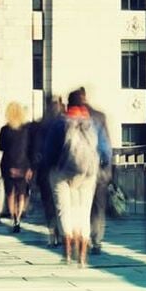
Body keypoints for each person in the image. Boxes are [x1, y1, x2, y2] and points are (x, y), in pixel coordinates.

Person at [43, 89, 110, 267]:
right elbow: (105, 151)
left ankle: (67, 252)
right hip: (88, 172)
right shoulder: (93, 123)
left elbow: (48, 152)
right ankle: (82, 255)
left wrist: (50, 167)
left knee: (64, 209)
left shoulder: (60, 123)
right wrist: (101, 164)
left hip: (62, 171)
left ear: (68, 104)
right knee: (84, 210)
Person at [79, 87, 113, 254]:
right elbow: (106, 145)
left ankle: (83, 236)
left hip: (78, 170)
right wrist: (106, 165)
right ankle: (97, 240)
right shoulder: (99, 116)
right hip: (98, 169)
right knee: (99, 206)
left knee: (82, 205)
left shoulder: (71, 118)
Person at [31, 97, 64, 247]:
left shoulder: (41, 125)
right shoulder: (65, 123)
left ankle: (52, 234)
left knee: (48, 203)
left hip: (46, 169)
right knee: (62, 203)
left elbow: (36, 150)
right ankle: (63, 232)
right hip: (62, 168)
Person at [0, 102, 32, 233]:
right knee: (22, 193)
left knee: (10, 193)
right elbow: (30, 148)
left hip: (8, 164)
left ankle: (13, 218)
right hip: (23, 164)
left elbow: (0, 146)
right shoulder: (26, 130)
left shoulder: (5, 129)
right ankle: (19, 217)